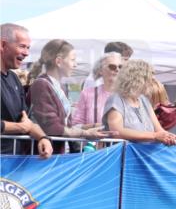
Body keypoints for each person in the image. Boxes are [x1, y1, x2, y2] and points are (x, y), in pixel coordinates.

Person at [26, 39, 109, 153]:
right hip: (42, 155)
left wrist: (89, 129)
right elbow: (52, 127)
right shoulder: (41, 85)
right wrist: (86, 133)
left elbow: (66, 125)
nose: (75, 65)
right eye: (73, 60)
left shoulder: (60, 87)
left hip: (55, 154)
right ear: (59, 62)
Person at [1, 24, 54, 157]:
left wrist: (43, 138)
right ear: (2, 45)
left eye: (28, 48)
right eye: (22, 46)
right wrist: (20, 128)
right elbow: (23, 125)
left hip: (11, 164)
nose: (26, 53)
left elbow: (26, 120)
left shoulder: (13, 78)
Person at [102, 60, 176, 146]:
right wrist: (154, 136)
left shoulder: (144, 100)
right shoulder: (116, 99)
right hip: (123, 156)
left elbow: (158, 129)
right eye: (149, 78)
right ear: (137, 79)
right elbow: (116, 132)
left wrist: (169, 136)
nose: (152, 81)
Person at [71, 52, 123, 127]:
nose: (117, 70)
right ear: (100, 70)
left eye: (120, 67)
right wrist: (96, 126)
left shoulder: (127, 95)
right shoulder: (88, 94)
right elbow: (76, 125)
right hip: (96, 138)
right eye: (112, 67)